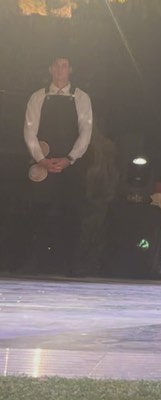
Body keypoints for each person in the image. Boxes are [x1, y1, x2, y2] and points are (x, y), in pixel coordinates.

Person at [23, 56, 93, 274]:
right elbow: (29, 131)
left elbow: (86, 132)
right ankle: (35, 263)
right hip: (43, 164)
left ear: (70, 69)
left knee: (72, 214)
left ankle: (70, 264)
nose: (60, 70)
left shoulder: (81, 97)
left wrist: (70, 158)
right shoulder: (38, 96)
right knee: (38, 212)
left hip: (70, 164)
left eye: (64, 66)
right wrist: (41, 159)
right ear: (50, 69)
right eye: (57, 65)